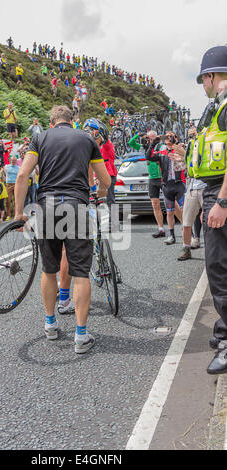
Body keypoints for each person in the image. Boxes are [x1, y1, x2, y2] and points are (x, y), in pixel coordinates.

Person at [14, 105, 111, 354]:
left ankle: (50, 324)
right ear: (72, 120)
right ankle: (80, 335)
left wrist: (18, 213)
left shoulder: (40, 137)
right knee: (81, 272)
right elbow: (106, 179)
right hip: (76, 204)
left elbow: (23, 175)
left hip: (46, 206)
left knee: (49, 270)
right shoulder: (86, 138)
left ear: (52, 121)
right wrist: (99, 192)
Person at [177, 46, 227, 374]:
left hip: (221, 191)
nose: (203, 85)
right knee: (218, 266)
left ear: (210, 75)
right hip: (213, 188)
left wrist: (222, 200)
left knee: (220, 269)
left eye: (203, 79)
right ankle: (224, 330)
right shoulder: (216, 108)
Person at [172, 127, 207, 261]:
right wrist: (178, 158)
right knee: (186, 222)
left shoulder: (203, 145)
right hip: (191, 188)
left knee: (210, 223)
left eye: (193, 134)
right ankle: (186, 249)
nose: (191, 137)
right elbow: (179, 168)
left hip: (205, 187)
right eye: (189, 135)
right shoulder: (189, 147)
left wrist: (185, 153)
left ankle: (212, 251)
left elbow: (199, 161)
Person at [146, 132, 186, 245]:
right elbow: (148, 157)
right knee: (169, 213)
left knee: (183, 210)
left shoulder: (181, 148)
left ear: (175, 138)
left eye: (170, 136)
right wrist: (153, 143)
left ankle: (190, 234)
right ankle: (172, 236)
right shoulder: (162, 152)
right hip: (167, 185)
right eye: (166, 136)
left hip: (179, 184)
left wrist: (176, 144)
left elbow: (188, 157)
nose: (168, 138)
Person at [4, 156, 20, 221]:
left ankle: (16, 214)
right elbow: (4, 174)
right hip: (9, 184)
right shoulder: (6, 167)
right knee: (8, 200)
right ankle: (8, 215)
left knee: (16, 201)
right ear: (10, 160)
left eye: (14, 160)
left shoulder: (19, 168)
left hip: (16, 184)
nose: (13, 161)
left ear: (16, 161)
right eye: (12, 160)